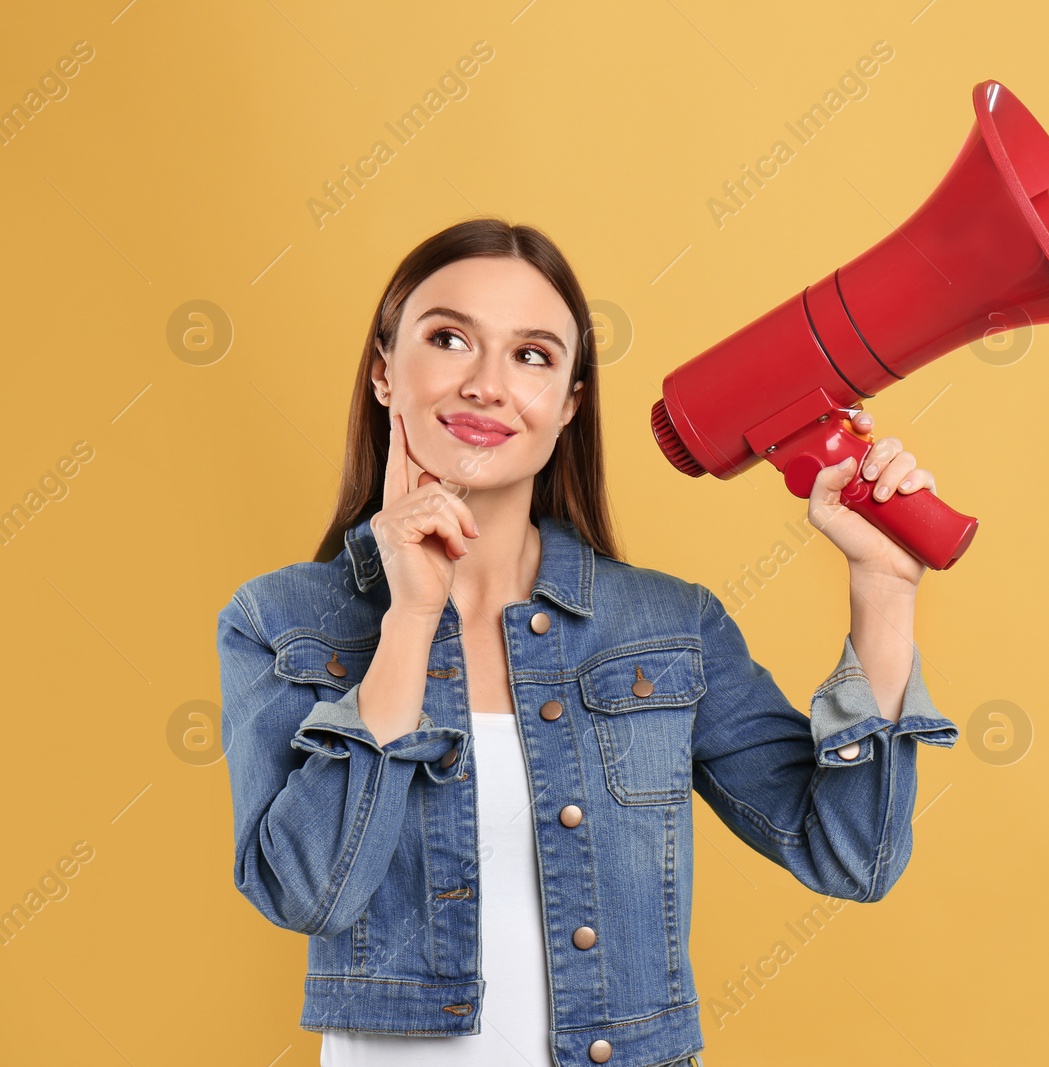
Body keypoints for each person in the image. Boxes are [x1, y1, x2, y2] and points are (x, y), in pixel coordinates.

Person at [215, 217, 959, 1066]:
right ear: (385, 371)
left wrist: (885, 591)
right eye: (450, 338)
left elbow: (852, 856)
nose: (488, 385)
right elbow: (308, 890)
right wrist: (411, 617)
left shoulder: (669, 626)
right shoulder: (279, 621)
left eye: (532, 355)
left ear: (570, 401)